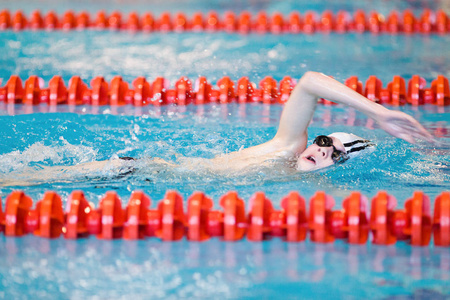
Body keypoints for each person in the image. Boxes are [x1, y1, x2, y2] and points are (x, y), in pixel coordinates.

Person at [0, 71, 434, 186]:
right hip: (138, 169)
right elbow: (308, 83)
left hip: (147, 177)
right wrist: (375, 112)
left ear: (340, 167)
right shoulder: (286, 148)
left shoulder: (298, 183)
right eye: (324, 141)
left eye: (335, 154)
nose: (322, 151)